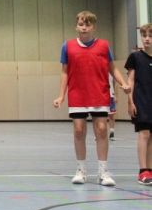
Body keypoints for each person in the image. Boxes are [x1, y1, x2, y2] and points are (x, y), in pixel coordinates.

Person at [53, 10, 130, 186]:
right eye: (81, 24)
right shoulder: (68, 46)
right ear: (76, 26)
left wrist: (123, 83)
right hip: (77, 94)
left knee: (102, 129)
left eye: (87, 24)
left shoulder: (104, 45)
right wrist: (61, 95)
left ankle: (103, 172)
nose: (84, 27)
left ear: (93, 27)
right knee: (79, 130)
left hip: (99, 93)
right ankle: (81, 170)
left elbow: (112, 68)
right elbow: (64, 72)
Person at [125, 24, 152, 185]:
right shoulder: (135, 57)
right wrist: (130, 101)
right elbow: (131, 80)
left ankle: (150, 169)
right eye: (144, 35)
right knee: (144, 134)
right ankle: (143, 171)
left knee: (151, 136)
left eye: (150, 36)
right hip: (141, 101)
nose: (147, 39)